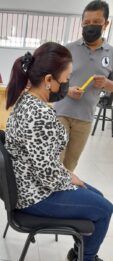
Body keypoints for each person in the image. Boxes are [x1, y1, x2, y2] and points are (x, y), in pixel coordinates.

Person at [5, 42, 113, 261]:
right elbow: (47, 174)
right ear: (48, 79)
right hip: (36, 195)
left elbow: (41, 160)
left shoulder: (27, 101)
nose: (67, 83)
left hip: (30, 184)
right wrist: (70, 177)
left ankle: (80, 251)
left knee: (97, 196)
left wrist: (67, 175)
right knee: (105, 209)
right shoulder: (39, 113)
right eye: (66, 78)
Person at [55, 0, 113, 171]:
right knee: (55, 160)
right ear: (81, 23)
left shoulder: (111, 54)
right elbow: (53, 81)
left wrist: (108, 84)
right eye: (87, 23)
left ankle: (63, 195)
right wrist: (67, 89)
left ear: (106, 23)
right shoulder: (68, 49)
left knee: (70, 164)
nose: (90, 26)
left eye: (96, 22)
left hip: (85, 118)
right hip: (61, 113)